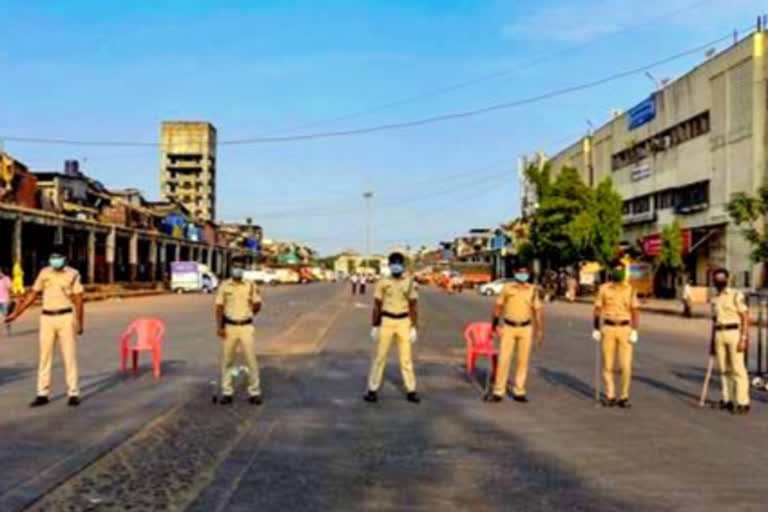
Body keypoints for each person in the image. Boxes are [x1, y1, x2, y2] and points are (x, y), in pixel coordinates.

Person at [4, 245, 84, 407]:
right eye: (52, 257)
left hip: (66, 317)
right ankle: (42, 393)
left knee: (69, 356)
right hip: (47, 317)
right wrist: (16, 314)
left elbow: (78, 299)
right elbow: (33, 294)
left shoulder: (73, 274)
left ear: (65, 258)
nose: (55, 260)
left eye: (58, 257)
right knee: (44, 356)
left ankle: (73, 392)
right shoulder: (44, 273)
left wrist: (80, 322)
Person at [364, 252, 420, 403]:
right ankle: (372, 389)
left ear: (402, 265)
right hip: (387, 320)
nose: (396, 265)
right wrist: (375, 325)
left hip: (404, 322)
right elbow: (377, 305)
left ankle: (411, 390)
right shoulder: (383, 282)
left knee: (406, 360)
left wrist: (414, 327)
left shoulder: (409, 282)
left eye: (398, 262)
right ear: (389, 265)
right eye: (393, 262)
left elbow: (413, 305)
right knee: (380, 358)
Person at [487, 263, 543, 403]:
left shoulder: (532, 290)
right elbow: (498, 307)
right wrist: (493, 326)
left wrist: (540, 329)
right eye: (520, 272)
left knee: (523, 361)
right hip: (508, 327)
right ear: (515, 273)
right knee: (503, 360)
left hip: (526, 328)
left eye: (525, 272)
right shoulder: (507, 288)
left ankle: (519, 391)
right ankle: (498, 391)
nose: (523, 274)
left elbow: (537, 310)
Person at [214, 256, 263, 405]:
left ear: (243, 269)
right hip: (230, 327)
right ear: (231, 268)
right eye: (235, 266)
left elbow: (258, 305)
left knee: (251, 360)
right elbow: (219, 307)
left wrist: (251, 307)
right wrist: (220, 327)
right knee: (228, 360)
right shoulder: (224, 286)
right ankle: (227, 392)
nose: (237, 269)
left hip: (246, 327)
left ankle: (254, 392)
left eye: (240, 266)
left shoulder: (250, 286)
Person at [593, 260, 639, 408]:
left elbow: (635, 311)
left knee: (626, 366)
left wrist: (635, 330)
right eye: (616, 269)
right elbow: (598, 309)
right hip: (608, 328)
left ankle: (624, 396)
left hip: (625, 328)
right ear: (611, 272)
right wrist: (595, 328)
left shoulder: (630, 289)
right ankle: (610, 395)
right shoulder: (604, 289)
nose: (618, 272)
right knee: (607, 364)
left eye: (621, 269)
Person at [710, 268, 750, 414]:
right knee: (723, 369)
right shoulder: (715, 298)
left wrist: (744, 338)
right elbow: (714, 321)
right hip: (719, 334)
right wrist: (712, 343)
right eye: (716, 278)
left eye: (721, 278)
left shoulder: (735, 295)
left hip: (734, 333)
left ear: (727, 279)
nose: (719, 281)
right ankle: (728, 399)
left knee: (737, 369)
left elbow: (745, 317)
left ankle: (742, 402)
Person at [0, 267, 11, 335]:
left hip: (4, 300)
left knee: (5, 315)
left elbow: (9, 287)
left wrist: (4, 279)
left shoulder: (6, 278)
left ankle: (7, 326)